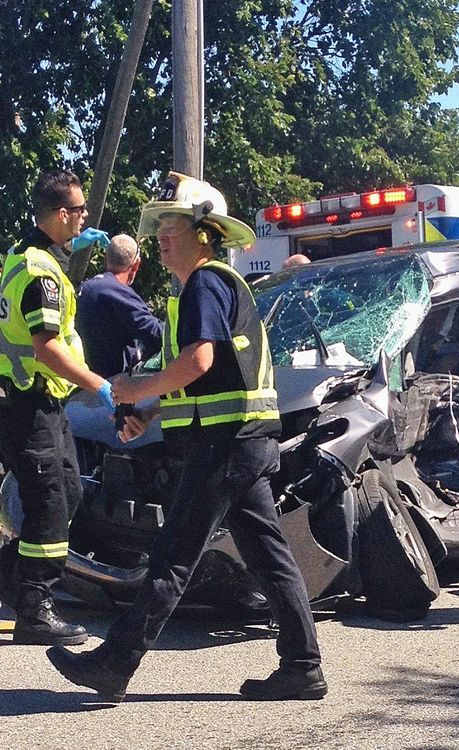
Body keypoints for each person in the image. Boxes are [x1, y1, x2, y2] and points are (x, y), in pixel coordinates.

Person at [46, 172, 325, 702]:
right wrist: (150, 410)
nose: (161, 236)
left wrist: (137, 387)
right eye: (159, 228)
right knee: (268, 558)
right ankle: (302, 666)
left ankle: (114, 663)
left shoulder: (206, 282)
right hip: (243, 443)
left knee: (173, 555)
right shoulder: (211, 284)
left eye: (171, 224)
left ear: (204, 231)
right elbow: (207, 377)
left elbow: (199, 361)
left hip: (225, 445)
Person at [0, 169, 114, 645]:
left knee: (67, 490)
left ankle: (13, 580)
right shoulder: (40, 273)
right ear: (62, 214)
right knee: (49, 502)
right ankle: (35, 608)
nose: (87, 216)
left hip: (39, 405)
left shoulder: (25, 256)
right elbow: (47, 346)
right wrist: (98, 385)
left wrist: (73, 248)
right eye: (80, 210)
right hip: (30, 402)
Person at [76, 233, 163, 378]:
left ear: (106, 259)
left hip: (81, 381)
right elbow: (154, 333)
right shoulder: (116, 291)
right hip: (109, 386)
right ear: (136, 264)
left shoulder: (85, 287)